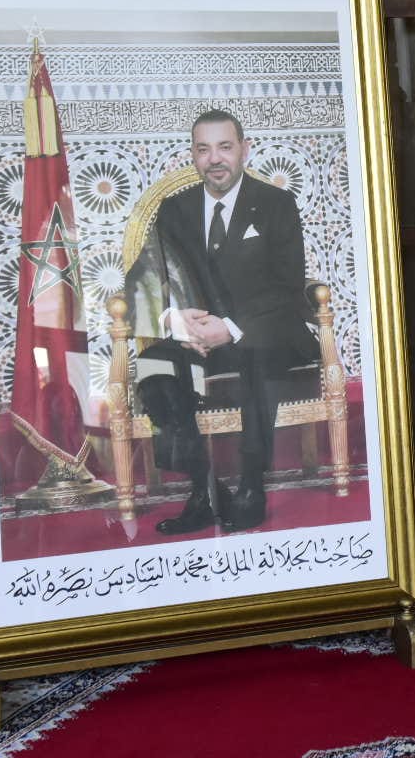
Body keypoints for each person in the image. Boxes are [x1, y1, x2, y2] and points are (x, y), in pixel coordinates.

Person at [128, 109, 313, 535]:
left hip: (266, 332)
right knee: (154, 364)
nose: (215, 158)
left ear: (244, 150)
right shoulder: (174, 209)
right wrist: (176, 320)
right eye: (203, 149)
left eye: (225, 147)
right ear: (192, 156)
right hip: (199, 336)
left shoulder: (275, 204)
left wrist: (229, 327)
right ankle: (203, 488)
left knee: (253, 356)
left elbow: (289, 287)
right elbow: (148, 277)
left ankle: (251, 487)